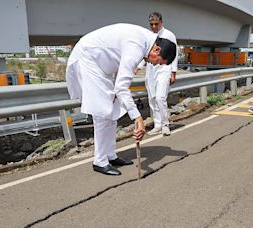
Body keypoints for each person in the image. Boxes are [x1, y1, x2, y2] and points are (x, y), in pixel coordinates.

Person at [66, 23, 177, 176]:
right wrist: (138, 118)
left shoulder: (146, 42)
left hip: (105, 66)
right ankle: (99, 161)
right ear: (157, 49)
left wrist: (135, 115)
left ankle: (110, 155)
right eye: (157, 61)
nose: (153, 64)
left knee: (113, 111)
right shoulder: (136, 47)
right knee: (102, 113)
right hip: (89, 59)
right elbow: (121, 88)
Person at [137, 12, 178, 136]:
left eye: (156, 24)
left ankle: (165, 125)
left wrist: (173, 72)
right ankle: (157, 124)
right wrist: (138, 67)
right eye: (151, 24)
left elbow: (174, 54)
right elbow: (143, 53)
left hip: (164, 68)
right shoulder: (148, 36)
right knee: (152, 99)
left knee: (160, 98)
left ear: (161, 22)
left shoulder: (169, 35)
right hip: (151, 69)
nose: (154, 26)